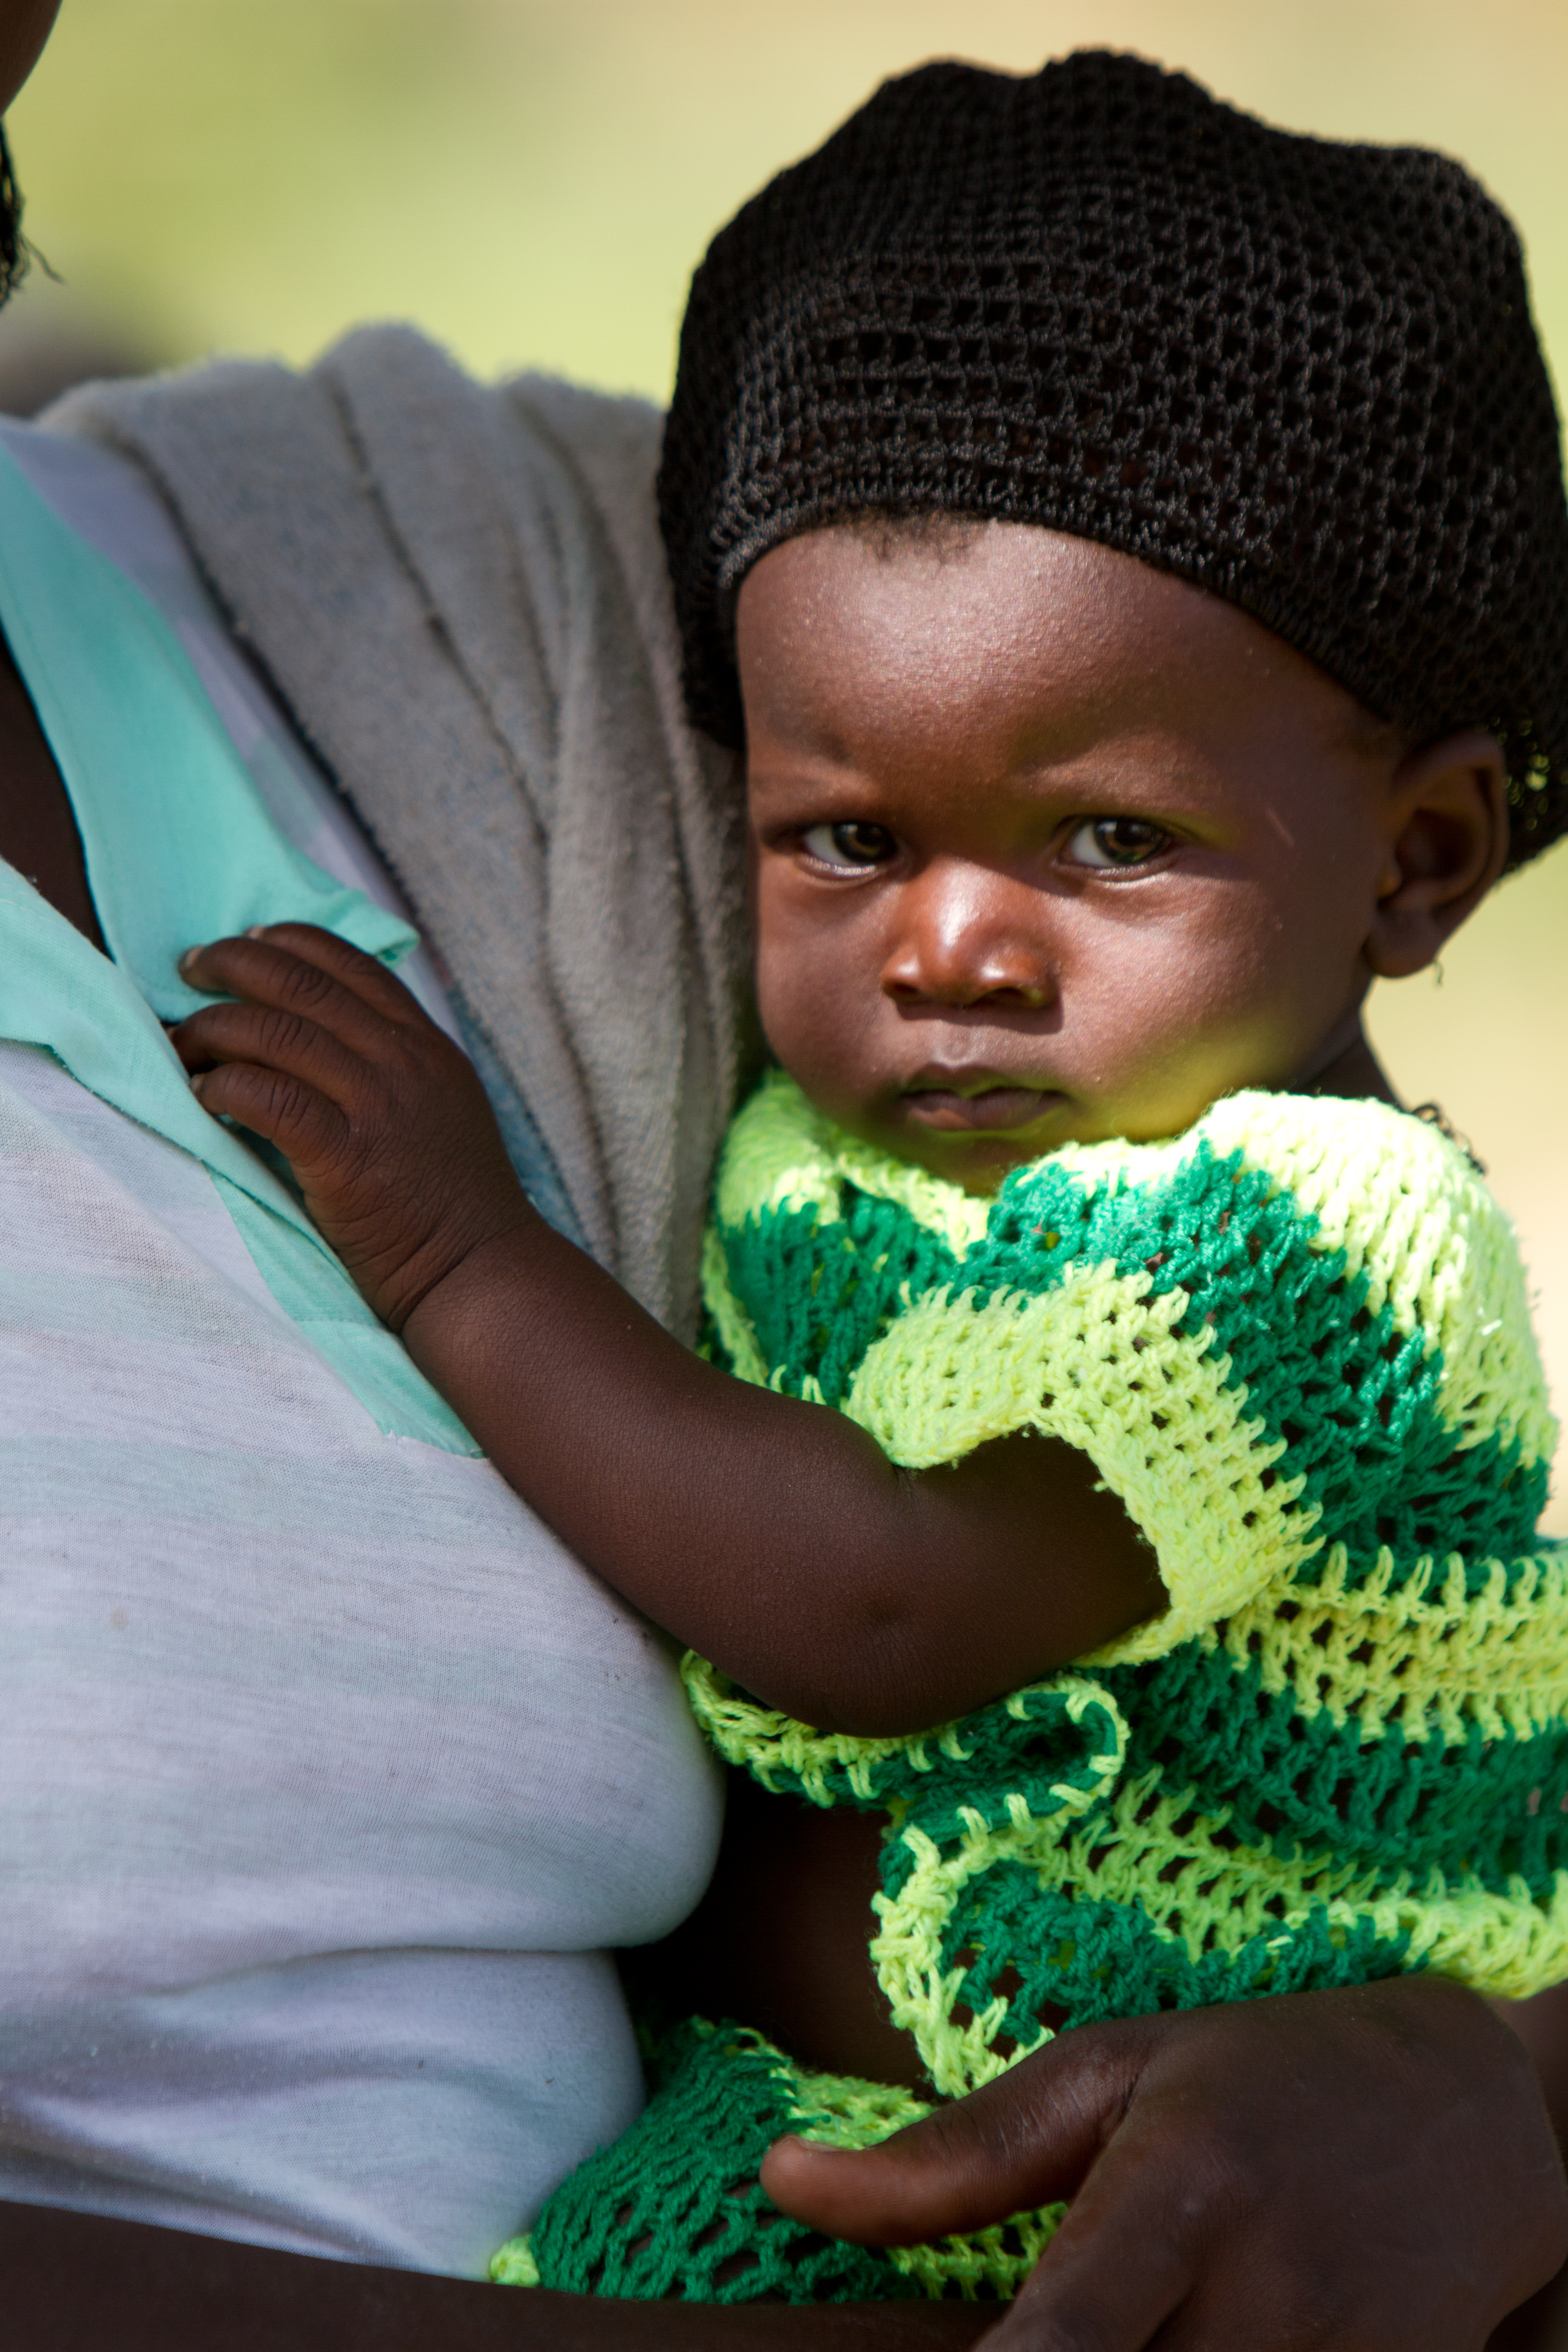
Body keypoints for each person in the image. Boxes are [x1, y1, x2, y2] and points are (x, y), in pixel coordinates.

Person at [0, 10, 1564, 2346]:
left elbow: (883, 1613)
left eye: (1108, 846)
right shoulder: (857, 1104)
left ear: (1417, 865)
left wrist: (1493, 2096)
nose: (945, 944)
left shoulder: (1312, 1237)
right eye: (844, 844)